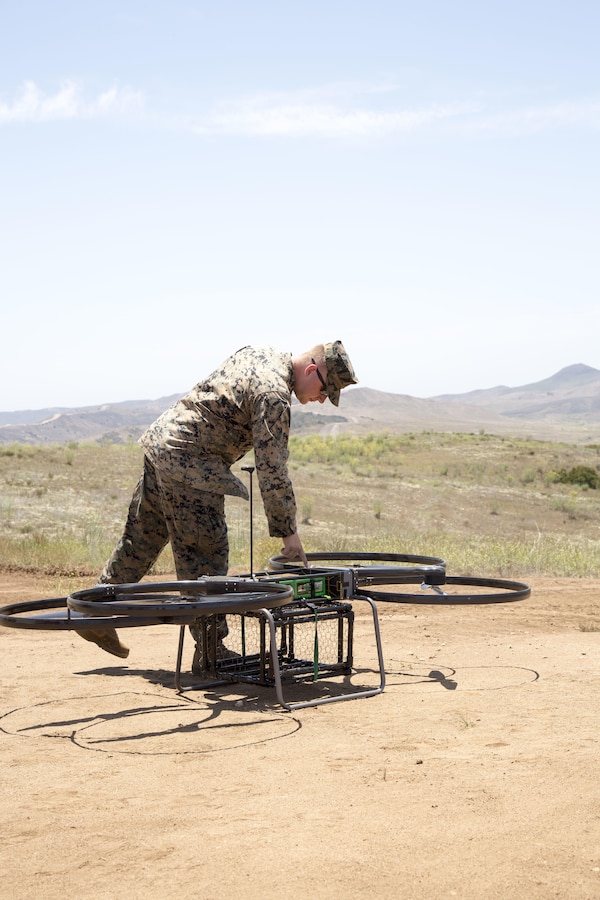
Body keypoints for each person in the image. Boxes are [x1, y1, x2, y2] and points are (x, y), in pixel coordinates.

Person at [79, 340, 358, 669]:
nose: (321, 400)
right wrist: (288, 533)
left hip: (163, 445)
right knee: (206, 555)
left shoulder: (260, 353)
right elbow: (272, 468)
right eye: (325, 390)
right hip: (191, 463)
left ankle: (96, 610)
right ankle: (210, 650)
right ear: (312, 370)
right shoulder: (273, 393)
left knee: (144, 536)